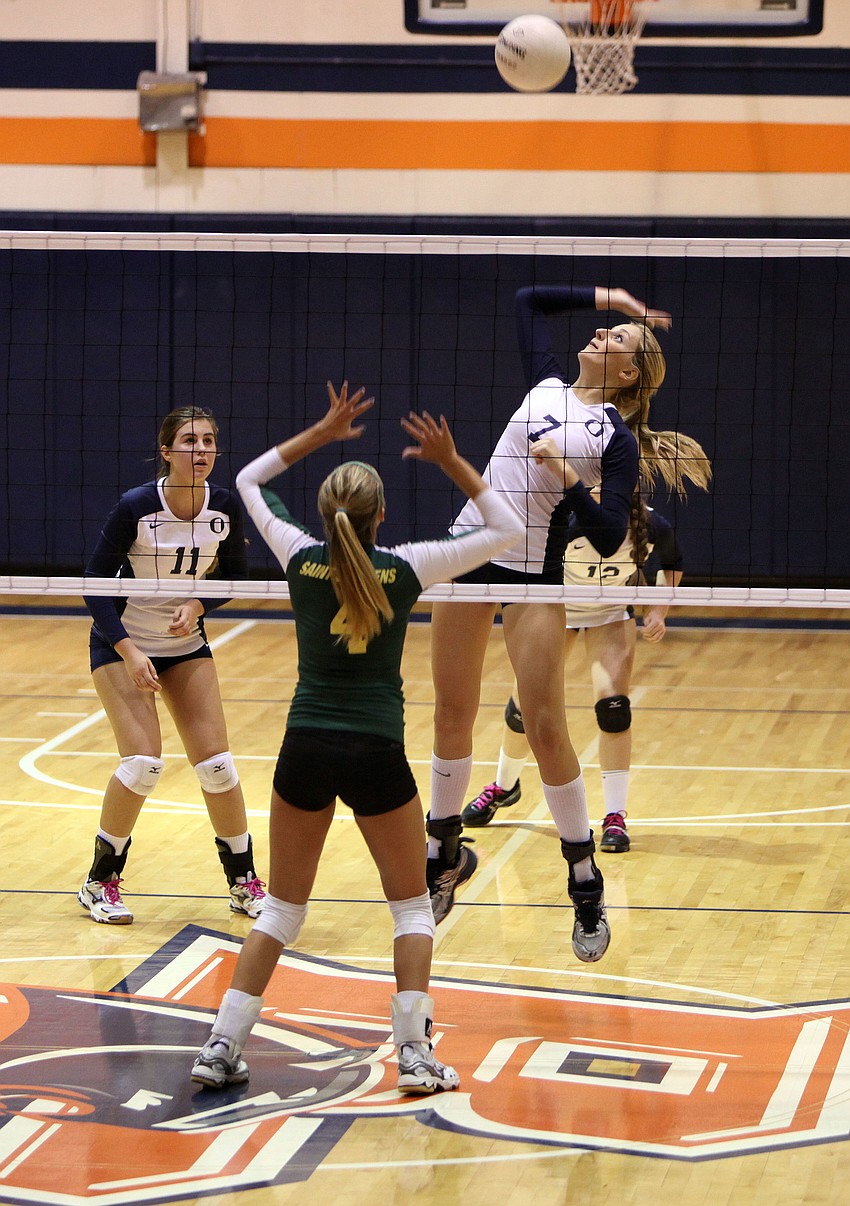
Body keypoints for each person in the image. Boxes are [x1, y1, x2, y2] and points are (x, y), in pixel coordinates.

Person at [190, 381, 522, 1097]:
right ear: (382, 517)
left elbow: (246, 479)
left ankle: (221, 1046)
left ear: (326, 511)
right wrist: (452, 460)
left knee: (281, 909)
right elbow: (506, 534)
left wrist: (321, 432)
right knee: (409, 908)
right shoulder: (404, 569)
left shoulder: (299, 559)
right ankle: (413, 1055)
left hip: (303, 748)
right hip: (376, 755)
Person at [427, 282, 709, 962]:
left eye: (615, 340)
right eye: (604, 330)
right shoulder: (542, 389)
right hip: (468, 553)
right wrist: (622, 302)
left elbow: (612, 535)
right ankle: (442, 854)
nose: (599, 335)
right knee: (450, 712)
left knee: (546, 723)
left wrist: (565, 476)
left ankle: (584, 880)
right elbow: (526, 300)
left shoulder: (613, 439)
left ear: (630, 373)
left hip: (531, 575)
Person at [79, 405, 265, 925]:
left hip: (184, 646)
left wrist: (200, 605)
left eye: (209, 441)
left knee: (217, 765)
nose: (201, 450)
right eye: (189, 441)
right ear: (167, 451)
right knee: (142, 764)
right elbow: (94, 584)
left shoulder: (223, 506)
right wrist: (130, 651)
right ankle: (100, 882)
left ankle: (243, 883)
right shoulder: (137, 506)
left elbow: (237, 577)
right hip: (123, 641)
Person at [462, 495, 687, 853]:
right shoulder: (566, 522)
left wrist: (659, 610)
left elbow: (672, 563)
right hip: (557, 608)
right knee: (525, 709)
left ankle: (615, 816)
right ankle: (504, 787)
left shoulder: (651, 525)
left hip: (610, 613)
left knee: (614, 708)